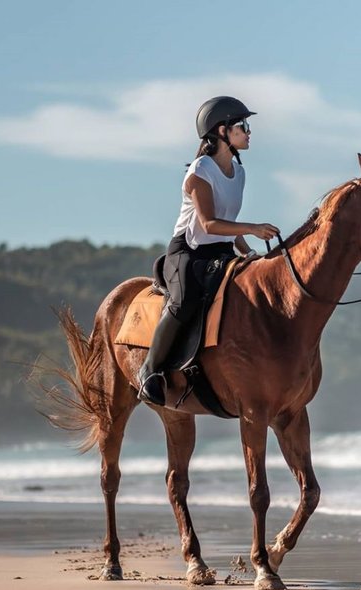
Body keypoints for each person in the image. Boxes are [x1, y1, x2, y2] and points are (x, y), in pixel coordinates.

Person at [138, 95, 280, 405]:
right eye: (242, 126)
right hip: (187, 252)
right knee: (185, 300)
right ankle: (149, 371)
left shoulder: (239, 173)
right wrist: (253, 228)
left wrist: (247, 251)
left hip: (221, 251)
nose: (248, 132)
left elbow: (227, 225)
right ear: (221, 131)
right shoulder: (201, 169)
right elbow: (210, 223)